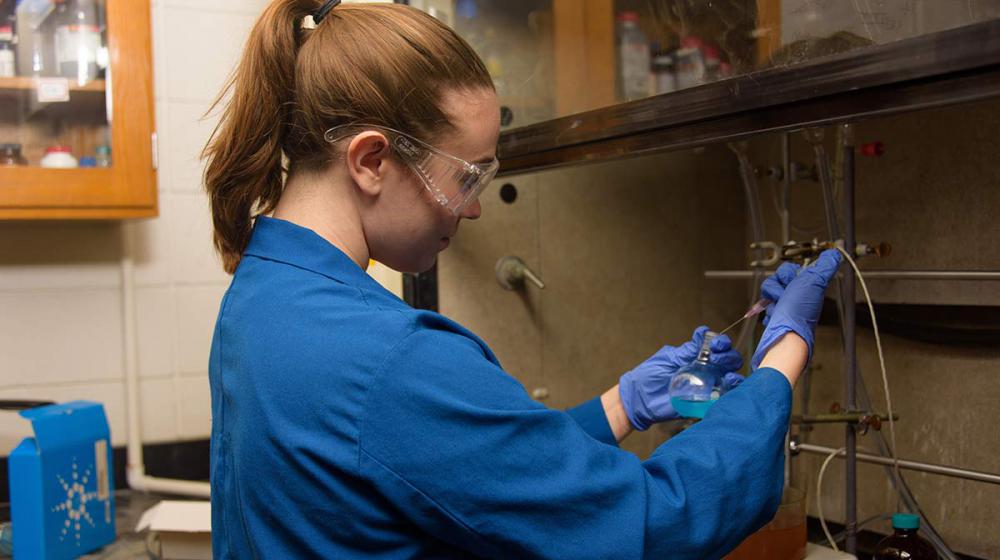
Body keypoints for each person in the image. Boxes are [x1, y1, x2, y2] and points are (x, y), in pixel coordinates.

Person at [201, 1, 842, 558]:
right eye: (468, 176)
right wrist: (780, 365)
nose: (475, 207)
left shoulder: (262, 296)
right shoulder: (390, 359)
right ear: (371, 160)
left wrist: (622, 404)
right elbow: (651, 526)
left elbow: (456, 470)